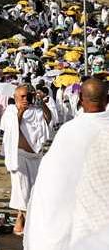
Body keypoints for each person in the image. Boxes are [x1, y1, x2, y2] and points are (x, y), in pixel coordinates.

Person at [24, 78, 109, 250]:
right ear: (107, 100)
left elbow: (51, 179)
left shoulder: (70, 131)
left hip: (83, 223)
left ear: (79, 99)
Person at [0, 84, 51, 234]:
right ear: (15, 98)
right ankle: (30, 225)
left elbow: (49, 119)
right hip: (19, 156)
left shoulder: (37, 110)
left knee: (35, 190)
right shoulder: (10, 111)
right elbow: (11, 129)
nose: (25, 99)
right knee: (22, 191)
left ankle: (20, 218)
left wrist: (41, 103)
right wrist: (21, 111)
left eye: (28, 96)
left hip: (36, 156)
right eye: (22, 96)